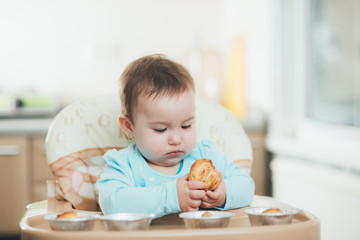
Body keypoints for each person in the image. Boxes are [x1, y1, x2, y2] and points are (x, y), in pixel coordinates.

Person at [96, 54, 255, 218]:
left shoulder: (205, 155)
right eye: (160, 129)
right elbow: (111, 203)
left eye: (186, 126)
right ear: (129, 127)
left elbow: (247, 186)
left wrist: (223, 194)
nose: (176, 139)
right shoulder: (123, 164)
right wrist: (171, 197)